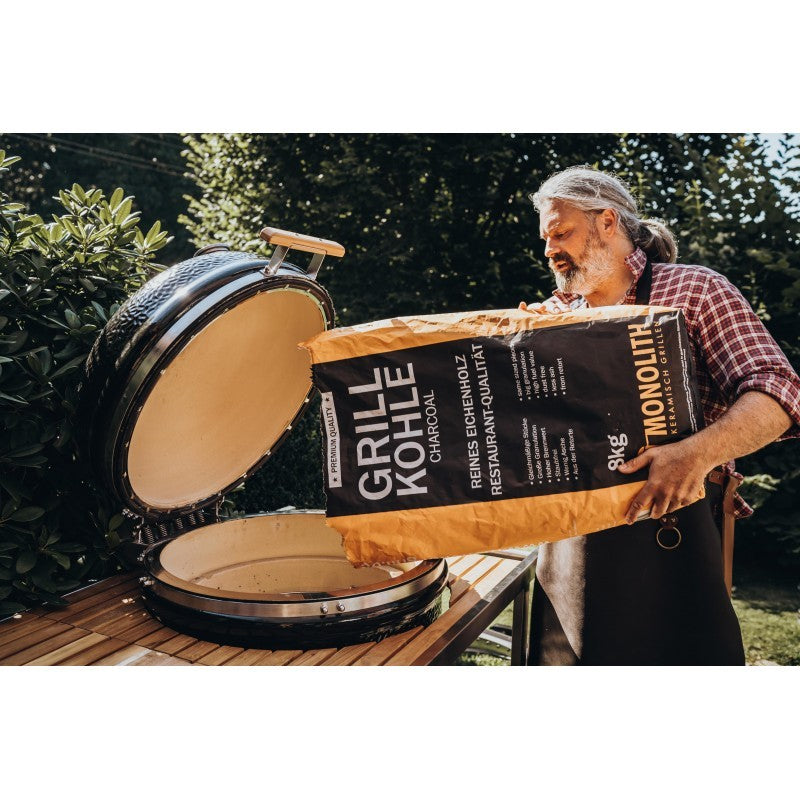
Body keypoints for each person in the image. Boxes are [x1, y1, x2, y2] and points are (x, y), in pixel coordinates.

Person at [520, 165, 800, 665]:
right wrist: (514, 347)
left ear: (608, 222)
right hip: (569, 546)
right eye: (546, 239)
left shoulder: (695, 290)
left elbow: (779, 394)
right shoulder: (549, 316)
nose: (549, 251)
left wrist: (694, 454)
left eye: (561, 233)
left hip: (673, 534)